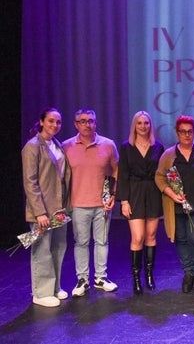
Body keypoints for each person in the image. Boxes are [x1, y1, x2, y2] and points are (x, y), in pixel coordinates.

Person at [62, 109, 119, 296]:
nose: (87, 124)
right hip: (78, 203)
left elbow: (117, 172)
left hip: (102, 204)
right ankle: (83, 280)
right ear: (76, 124)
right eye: (83, 121)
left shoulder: (108, 145)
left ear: (96, 123)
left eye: (91, 121)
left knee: (102, 241)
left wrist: (113, 195)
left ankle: (101, 278)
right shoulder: (66, 146)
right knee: (81, 242)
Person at [21, 108, 72, 307]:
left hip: (59, 207)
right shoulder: (32, 146)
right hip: (42, 210)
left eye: (58, 122)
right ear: (42, 121)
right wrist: (39, 212)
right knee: (42, 250)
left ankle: (54, 286)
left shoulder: (57, 145)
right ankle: (41, 293)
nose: (55, 125)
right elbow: (30, 182)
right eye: (51, 121)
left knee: (58, 247)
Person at [155, 115, 194, 295]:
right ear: (177, 133)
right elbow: (159, 177)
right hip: (176, 205)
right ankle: (188, 274)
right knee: (181, 238)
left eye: (190, 132)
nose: (187, 135)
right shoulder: (169, 155)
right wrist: (171, 193)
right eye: (183, 132)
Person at [116, 111, 165, 295]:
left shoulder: (158, 147)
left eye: (146, 123)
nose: (143, 126)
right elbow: (123, 175)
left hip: (153, 193)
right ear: (134, 126)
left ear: (150, 126)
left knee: (151, 236)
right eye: (139, 123)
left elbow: (162, 173)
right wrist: (124, 201)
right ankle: (136, 279)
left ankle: (149, 276)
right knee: (137, 238)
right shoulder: (126, 147)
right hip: (134, 193)